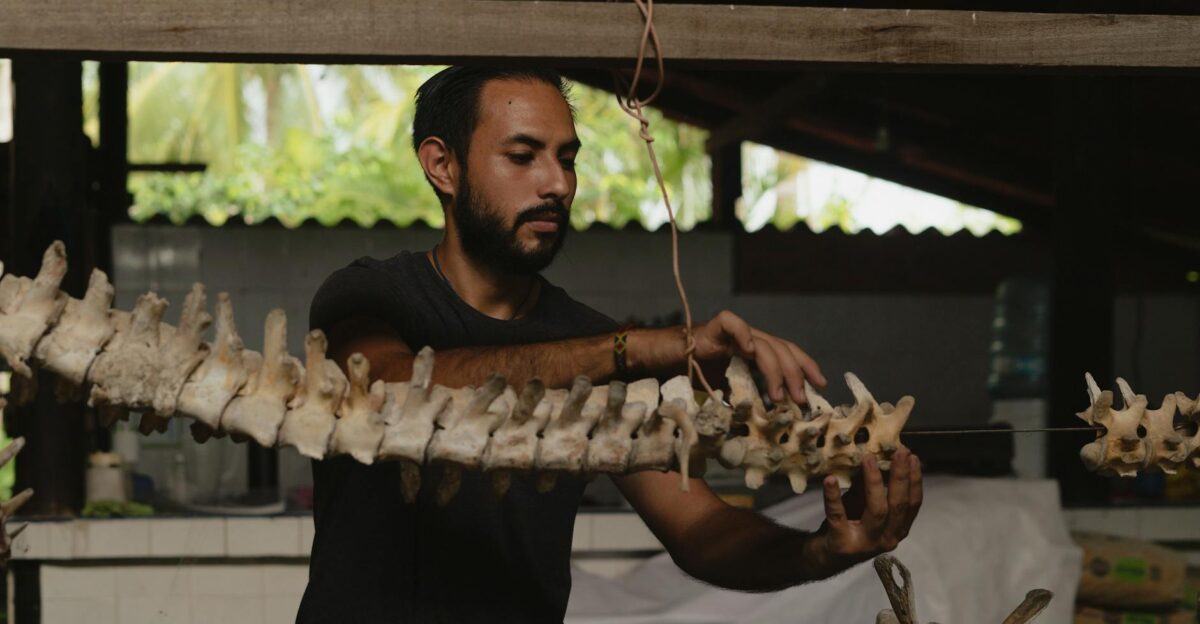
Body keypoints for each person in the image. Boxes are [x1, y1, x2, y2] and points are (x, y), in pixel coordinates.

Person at [296, 66, 922, 623]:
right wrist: (638, 348)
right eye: (523, 156)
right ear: (443, 166)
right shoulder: (368, 298)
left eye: (566, 158)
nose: (557, 185)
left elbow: (700, 528)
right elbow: (390, 390)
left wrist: (823, 547)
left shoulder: (588, 338)